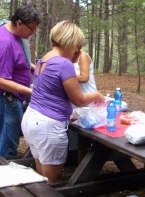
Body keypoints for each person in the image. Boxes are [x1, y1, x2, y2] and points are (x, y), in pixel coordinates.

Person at [21, 20, 105, 184]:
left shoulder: (44, 59)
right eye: (76, 45)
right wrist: (97, 95)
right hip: (48, 126)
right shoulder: (63, 63)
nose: (77, 50)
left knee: (41, 177)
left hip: (31, 120)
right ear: (70, 41)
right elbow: (79, 99)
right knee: (53, 180)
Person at [0, 5, 40, 158]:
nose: (33, 33)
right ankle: (5, 179)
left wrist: (31, 67)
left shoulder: (11, 33)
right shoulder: (5, 43)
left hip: (3, 100)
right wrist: (31, 91)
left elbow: (15, 62)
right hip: (3, 100)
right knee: (6, 150)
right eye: (31, 29)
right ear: (19, 23)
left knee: (2, 140)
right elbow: (0, 81)